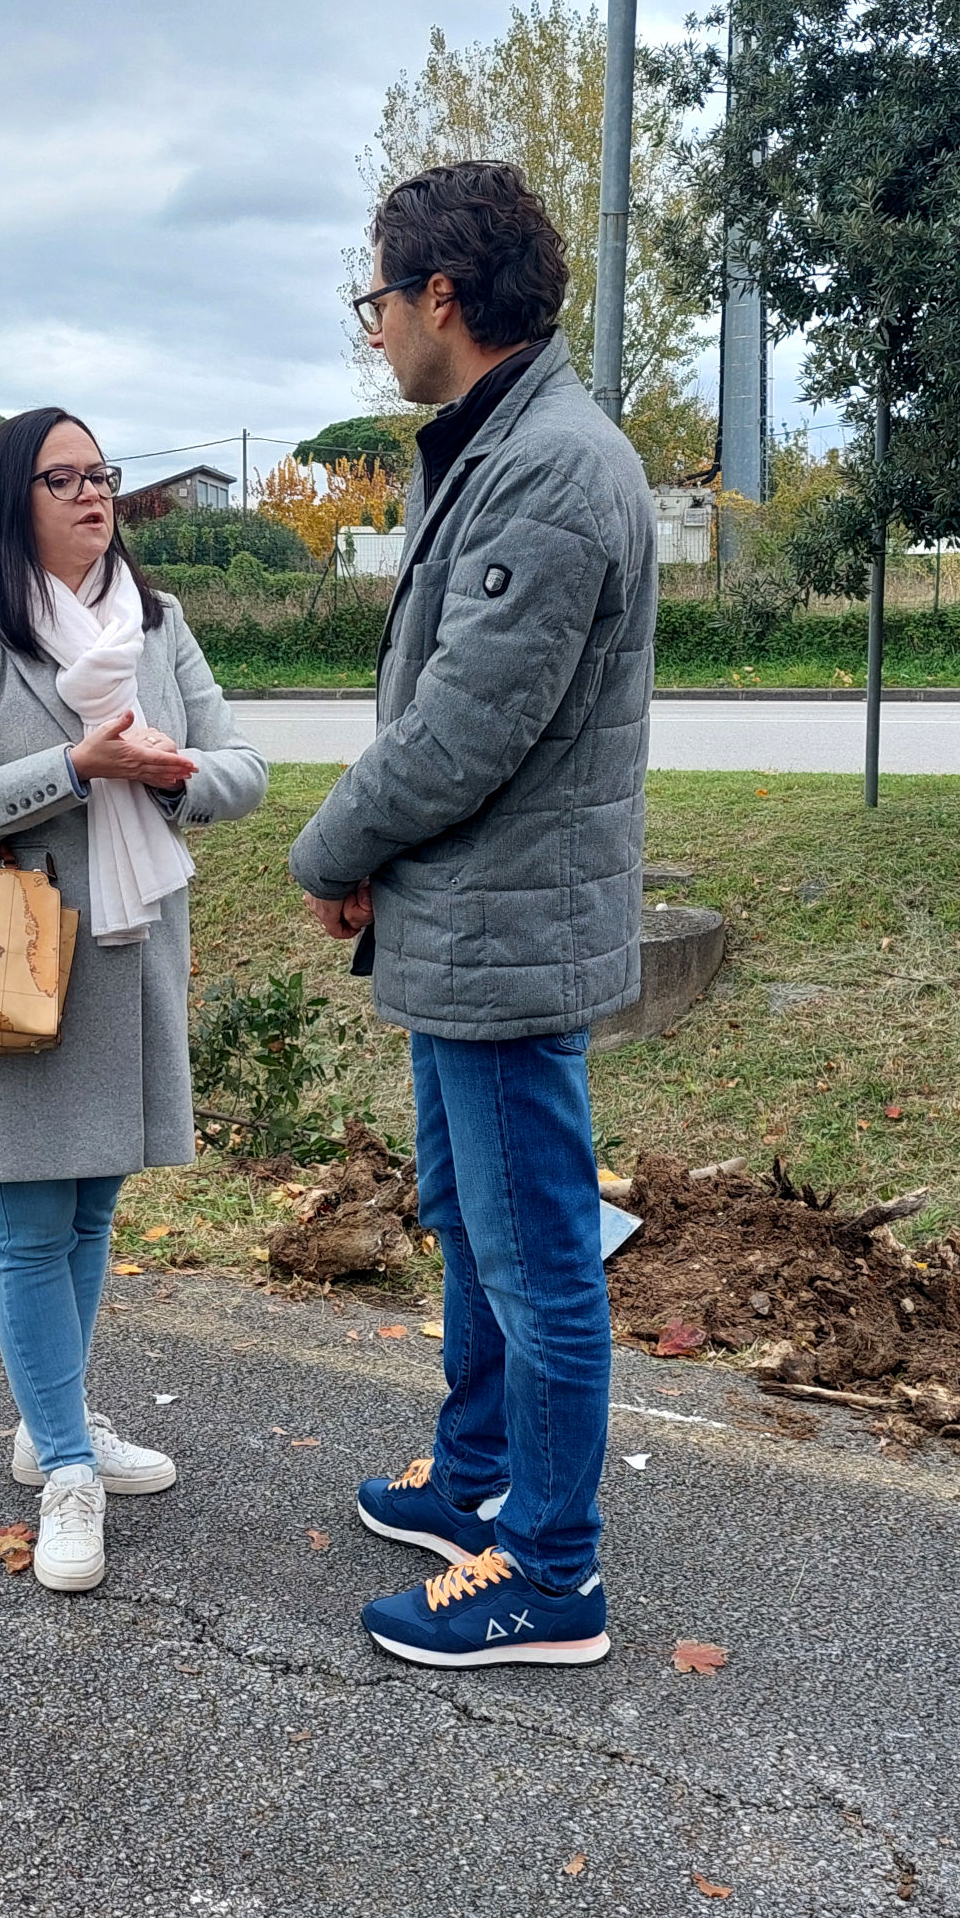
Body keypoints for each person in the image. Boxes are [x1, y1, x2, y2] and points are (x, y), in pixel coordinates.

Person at [290, 161, 658, 1668]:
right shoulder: (496, 443)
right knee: (472, 1219)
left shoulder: (555, 468)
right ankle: (479, 1474)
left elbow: (462, 726)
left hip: (506, 938)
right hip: (469, 919)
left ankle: (552, 1569)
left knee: (539, 1252)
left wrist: (330, 846)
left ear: (444, 297)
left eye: (377, 298)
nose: (372, 327)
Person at [0, 407, 267, 1593]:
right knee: (27, 1221)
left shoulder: (157, 621)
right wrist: (73, 767)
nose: (90, 494)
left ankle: (47, 1420)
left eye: (101, 474)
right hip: (16, 956)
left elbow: (242, 768)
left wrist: (172, 775)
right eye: (61, 478)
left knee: (94, 1207)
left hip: (130, 946)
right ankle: (63, 1462)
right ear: (12, 498)